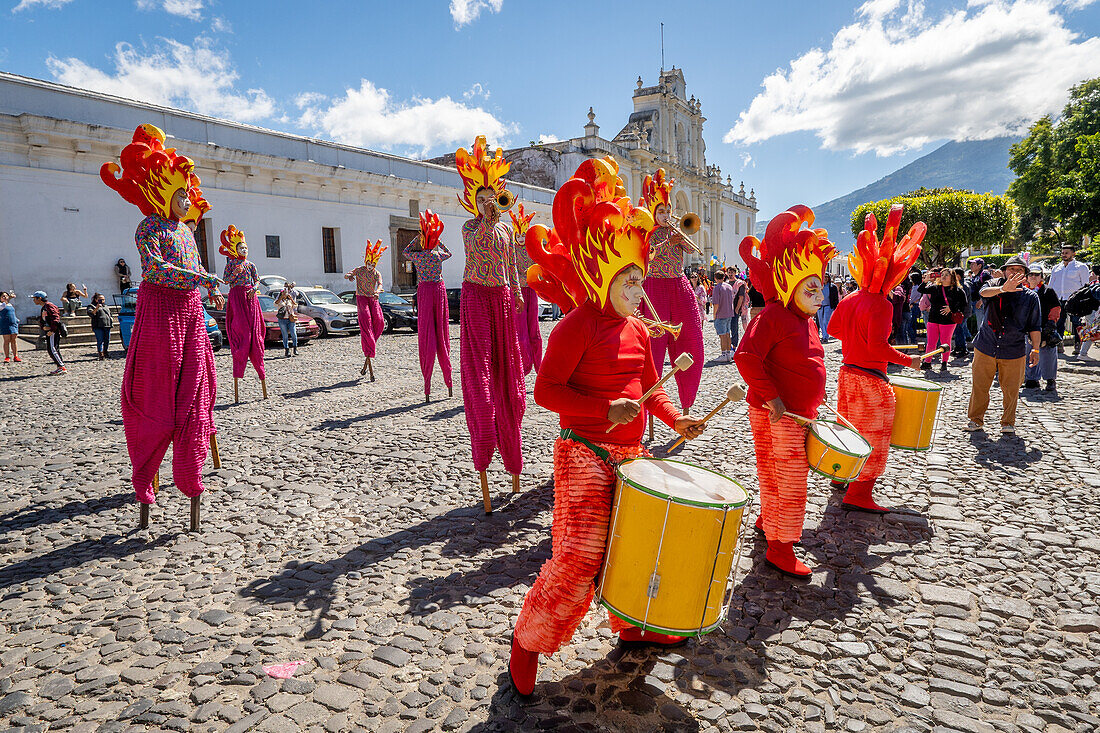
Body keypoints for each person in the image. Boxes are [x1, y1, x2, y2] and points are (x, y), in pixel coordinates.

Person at [509, 157, 705, 696]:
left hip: (631, 454)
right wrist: (602, 412)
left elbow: (652, 389)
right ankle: (527, 642)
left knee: (633, 548)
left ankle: (633, 622)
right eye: (628, 279)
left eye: (640, 279)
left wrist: (676, 419)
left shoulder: (640, 331)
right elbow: (545, 391)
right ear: (602, 274)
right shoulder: (576, 326)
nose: (636, 288)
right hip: (583, 451)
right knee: (579, 557)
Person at [100, 123, 222, 516]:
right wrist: (198, 278)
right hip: (161, 311)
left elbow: (198, 265)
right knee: (158, 385)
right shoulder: (149, 227)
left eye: (188, 194)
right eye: (181, 194)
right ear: (163, 193)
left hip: (190, 311)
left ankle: (190, 460)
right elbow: (154, 267)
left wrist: (209, 288)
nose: (187, 201)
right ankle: (149, 466)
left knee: (196, 384)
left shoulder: (187, 233)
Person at [735, 205, 837, 577]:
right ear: (789, 286)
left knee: (774, 474)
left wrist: (815, 396)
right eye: (809, 287)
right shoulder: (773, 316)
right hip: (778, 413)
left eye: (819, 286)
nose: (818, 293)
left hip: (791, 412)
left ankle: (769, 520)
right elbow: (745, 357)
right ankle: (781, 547)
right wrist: (774, 397)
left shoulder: (803, 319)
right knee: (789, 479)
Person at [828, 206, 927, 513]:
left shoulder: (850, 297)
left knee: (848, 430)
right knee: (873, 437)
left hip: (846, 375)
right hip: (870, 380)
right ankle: (858, 494)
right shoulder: (881, 304)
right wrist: (909, 361)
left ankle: (841, 477)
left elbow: (832, 329)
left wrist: (853, 339)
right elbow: (877, 348)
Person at [455, 136, 526, 495]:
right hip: (476, 299)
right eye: (480, 199)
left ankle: (513, 459)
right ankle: (484, 437)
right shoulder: (470, 227)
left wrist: (515, 292)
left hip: (501, 298)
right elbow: (476, 245)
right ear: (473, 200)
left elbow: (511, 263)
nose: (487, 203)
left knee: (509, 377)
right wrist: (486, 218)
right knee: (480, 376)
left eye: (491, 198)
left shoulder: (508, 227)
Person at [638, 169, 704, 413]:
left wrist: (679, 236)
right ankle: (649, 407)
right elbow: (647, 254)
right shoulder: (648, 232)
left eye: (668, 211)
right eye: (661, 211)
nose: (665, 215)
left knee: (692, 342)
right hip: (654, 287)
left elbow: (692, 250)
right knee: (652, 350)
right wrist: (668, 241)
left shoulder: (678, 231)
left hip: (679, 285)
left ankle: (686, 405)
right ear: (653, 213)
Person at [965, 255, 1040, 435]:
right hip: (986, 344)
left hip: (1014, 348)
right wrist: (1003, 289)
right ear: (1005, 271)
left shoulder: (1030, 297)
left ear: (1025, 275)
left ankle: (1008, 422)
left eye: (1019, 270)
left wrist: (1036, 349)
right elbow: (983, 293)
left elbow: (1035, 326)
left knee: (1012, 390)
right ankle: (975, 420)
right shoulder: (993, 285)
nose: (1015, 273)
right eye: (1011, 269)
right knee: (980, 386)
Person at [404, 209, 454, 399]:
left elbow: (406, 251)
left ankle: (428, 385)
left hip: (425, 290)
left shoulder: (418, 256)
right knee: (441, 332)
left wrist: (417, 239)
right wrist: (438, 240)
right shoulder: (437, 255)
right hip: (438, 290)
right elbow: (449, 253)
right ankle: (448, 383)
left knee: (427, 332)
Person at [220, 226, 267, 389]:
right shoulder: (231, 265)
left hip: (250, 296)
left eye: (246, 247)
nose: (244, 250)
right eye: (241, 247)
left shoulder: (251, 265)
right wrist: (236, 272)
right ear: (235, 249)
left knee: (254, 329)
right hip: (236, 296)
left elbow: (257, 279)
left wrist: (254, 289)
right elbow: (226, 280)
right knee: (241, 327)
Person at [345, 240, 387, 377]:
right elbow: (348, 275)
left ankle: (370, 345)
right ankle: (369, 345)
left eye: (373, 264)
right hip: (362, 298)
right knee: (366, 321)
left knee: (380, 322)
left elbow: (380, 284)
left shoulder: (376, 273)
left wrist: (377, 292)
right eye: (369, 263)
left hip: (373, 298)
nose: (371, 266)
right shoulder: (360, 270)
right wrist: (350, 276)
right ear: (366, 261)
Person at [509, 205, 543, 375]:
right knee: (520, 330)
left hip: (530, 290)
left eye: (524, 235)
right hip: (517, 293)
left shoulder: (532, 250)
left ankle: (539, 366)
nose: (521, 238)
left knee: (534, 330)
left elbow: (540, 266)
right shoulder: (511, 250)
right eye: (518, 235)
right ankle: (523, 366)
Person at [917, 267, 966, 373]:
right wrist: (925, 281)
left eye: (946, 275)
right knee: (931, 342)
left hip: (948, 320)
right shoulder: (935, 287)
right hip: (933, 318)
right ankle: (927, 362)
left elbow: (964, 305)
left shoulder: (958, 290)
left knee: (945, 342)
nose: (943, 276)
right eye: (942, 274)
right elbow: (921, 290)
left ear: (952, 277)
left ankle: (944, 362)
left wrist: (951, 308)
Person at [1023, 265, 1061, 391]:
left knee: (1048, 355)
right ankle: (1031, 379)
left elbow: (1056, 308)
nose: (1033, 277)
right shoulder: (1023, 291)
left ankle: (1050, 379)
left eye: (1036, 275)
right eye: (1031, 275)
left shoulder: (1047, 291)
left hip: (1045, 327)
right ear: (1027, 277)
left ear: (1041, 277)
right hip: (1028, 328)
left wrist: (1051, 323)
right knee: (1029, 353)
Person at [1050, 244, 1091, 356]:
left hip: (1075, 300)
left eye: (1067, 253)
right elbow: (1051, 285)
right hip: (1059, 299)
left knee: (1076, 323)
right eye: (1062, 253)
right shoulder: (1056, 268)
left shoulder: (1081, 267)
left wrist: (1083, 300)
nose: (1064, 255)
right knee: (1059, 322)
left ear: (1073, 254)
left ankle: (1078, 344)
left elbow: (1085, 285)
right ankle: (1059, 344)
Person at [32, 291, 66, 374]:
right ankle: (60, 366)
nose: (33, 300)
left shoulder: (49, 306)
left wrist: (52, 330)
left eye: (34, 298)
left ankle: (61, 366)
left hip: (52, 332)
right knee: (53, 349)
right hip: (49, 330)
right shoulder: (44, 307)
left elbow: (55, 318)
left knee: (52, 349)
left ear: (39, 298)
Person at [709, 270, 737, 362]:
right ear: (724, 277)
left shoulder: (717, 288)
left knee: (722, 335)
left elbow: (716, 304)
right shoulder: (729, 286)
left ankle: (724, 354)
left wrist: (714, 315)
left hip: (721, 314)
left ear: (715, 278)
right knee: (727, 334)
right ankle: (728, 353)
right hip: (729, 313)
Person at [950, 266, 972, 357]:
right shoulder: (961, 285)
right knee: (958, 330)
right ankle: (958, 347)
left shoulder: (963, 286)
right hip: (961, 311)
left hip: (962, 312)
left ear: (958, 276)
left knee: (960, 330)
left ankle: (963, 348)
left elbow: (962, 301)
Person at [86, 292, 113, 360]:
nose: (102, 301)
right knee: (100, 340)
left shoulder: (105, 306)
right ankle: (100, 354)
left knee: (107, 340)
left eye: (103, 299)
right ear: (96, 299)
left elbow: (110, 314)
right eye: (100, 299)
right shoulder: (91, 306)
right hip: (98, 326)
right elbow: (91, 314)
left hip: (107, 325)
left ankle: (105, 352)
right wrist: (97, 307)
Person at [274, 282, 299, 357]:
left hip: (290, 318)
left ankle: (295, 348)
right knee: (285, 335)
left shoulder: (289, 300)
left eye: (286, 292)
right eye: (284, 292)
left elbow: (295, 306)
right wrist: (281, 298)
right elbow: (275, 304)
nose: (285, 293)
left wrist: (291, 299)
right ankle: (286, 349)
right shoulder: (279, 300)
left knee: (294, 334)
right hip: (282, 319)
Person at [817, 273, 839, 343]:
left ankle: (825, 337)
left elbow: (836, 298)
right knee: (820, 321)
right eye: (824, 277)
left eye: (826, 277)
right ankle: (824, 335)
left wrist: (836, 307)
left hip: (828, 306)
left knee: (825, 321)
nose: (825, 278)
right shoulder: (819, 286)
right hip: (820, 306)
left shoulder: (833, 287)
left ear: (829, 278)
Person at [1, 291, 21, 363]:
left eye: (6, 296)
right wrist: (9, 298)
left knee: (14, 340)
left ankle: (15, 356)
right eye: (3, 296)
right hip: (5, 324)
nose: (5, 297)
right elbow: (3, 306)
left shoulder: (10, 305)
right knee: (6, 340)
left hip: (13, 324)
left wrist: (16, 320)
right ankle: (7, 357)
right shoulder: (1, 305)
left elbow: (12, 313)